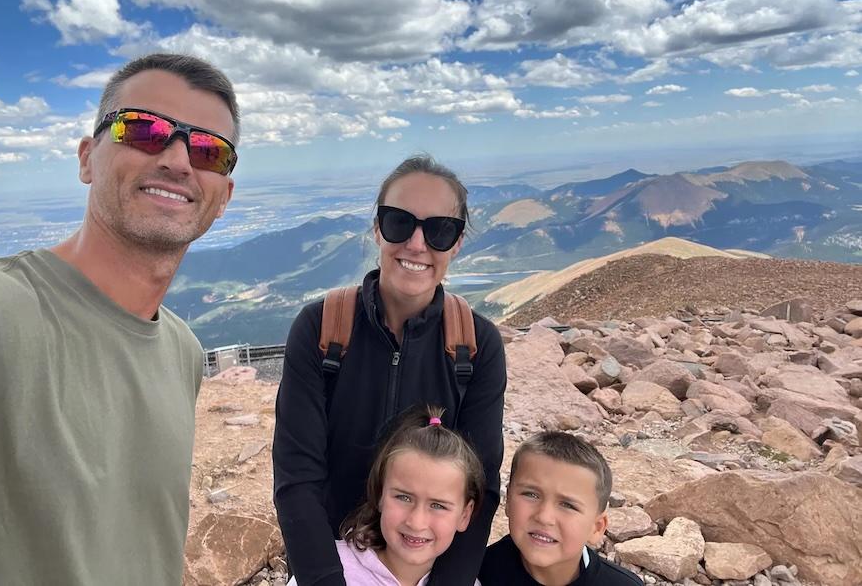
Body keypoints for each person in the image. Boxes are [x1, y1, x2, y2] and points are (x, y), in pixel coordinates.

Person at [0, 53, 239, 585]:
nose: (180, 159)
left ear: (224, 197)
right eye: (143, 129)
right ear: (88, 158)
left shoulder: (182, 351)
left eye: (210, 149)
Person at [274, 154, 506, 585]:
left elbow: (482, 486)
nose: (417, 244)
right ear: (378, 227)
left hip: (426, 564)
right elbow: (296, 475)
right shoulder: (322, 328)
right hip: (329, 563)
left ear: (456, 242)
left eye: (440, 230)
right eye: (400, 221)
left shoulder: (476, 346)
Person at [289, 406, 484, 586]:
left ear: (465, 515)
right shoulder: (326, 566)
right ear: (380, 495)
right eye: (404, 498)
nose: (416, 522)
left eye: (438, 506)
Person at [479, 431, 642, 586]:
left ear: (596, 528)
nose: (544, 517)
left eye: (568, 505)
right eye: (531, 495)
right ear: (507, 501)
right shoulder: (477, 572)